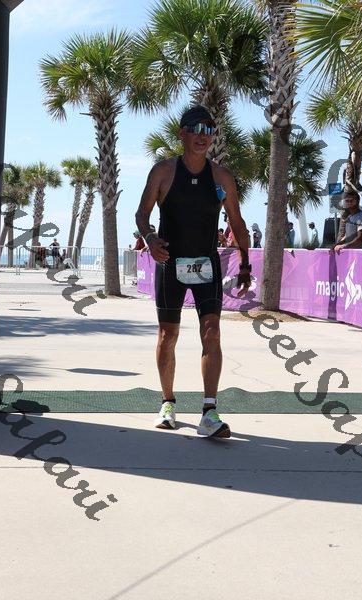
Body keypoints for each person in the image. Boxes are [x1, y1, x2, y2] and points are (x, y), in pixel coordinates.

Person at [135, 105, 251, 439]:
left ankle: (209, 412)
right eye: (196, 129)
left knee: (212, 332)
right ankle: (167, 403)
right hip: (170, 263)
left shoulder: (222, 177)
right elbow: (142, 214)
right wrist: (150, 238)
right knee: (167, 335)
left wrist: (245, 262)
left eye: (208, 129)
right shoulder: (163, 171)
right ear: (182, 133)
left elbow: (237, 222)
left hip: (207, 265)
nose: (203, 136)